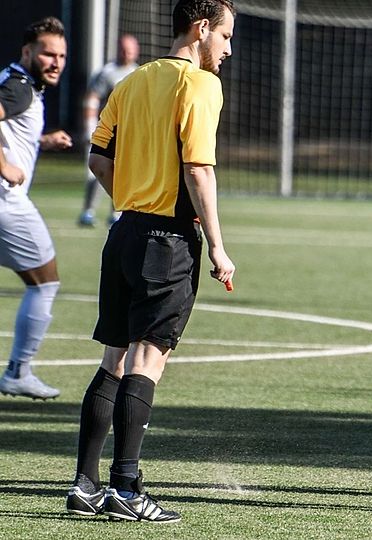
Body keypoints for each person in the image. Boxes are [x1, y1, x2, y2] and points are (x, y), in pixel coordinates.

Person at [65, 0, 236, 523]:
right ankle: (125, 487)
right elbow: (198, 168)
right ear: (201, 29)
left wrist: (134, 199)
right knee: (148, 360)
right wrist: (218, 244)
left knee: (112, 359)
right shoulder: (201, 84)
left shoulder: (132, 82)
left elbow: (98, 156)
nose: (228, 49)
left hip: (125, 234)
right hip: (168, 241)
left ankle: (84, 485)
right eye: (226, 36)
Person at [0, 17, 73, 401]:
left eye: (61, 55)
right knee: (45, 282)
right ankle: (18, 371)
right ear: (27, 52)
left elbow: (9, 131)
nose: (56, 61)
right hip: (6, 204)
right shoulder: (20, 88)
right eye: (47, 53)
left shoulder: (13, 81)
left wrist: (41, 141)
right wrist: (4, 166)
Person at [77, 34, 139, 227]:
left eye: (130, 49)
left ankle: (117, 211)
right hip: (106, 130)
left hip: (127, 132)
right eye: (123, 48)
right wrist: (90, 128)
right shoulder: (108, 73)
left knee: (124, 172)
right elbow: (92, 99)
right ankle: (88, 211)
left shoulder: (139, 72)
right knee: (97, 169)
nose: (126, 52)